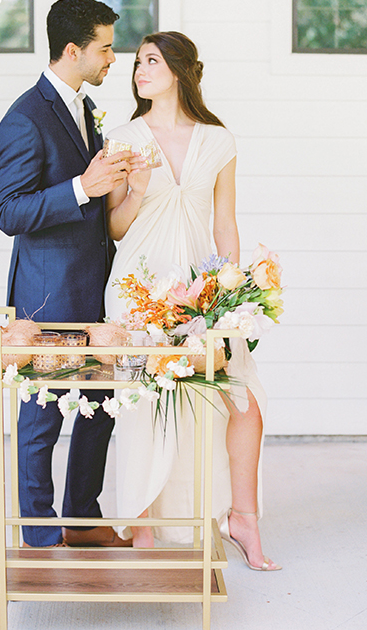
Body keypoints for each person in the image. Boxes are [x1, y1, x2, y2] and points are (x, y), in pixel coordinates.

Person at [104, 31, 281, 570]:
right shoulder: (123, 138)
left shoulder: (218, 141)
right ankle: (145, 531)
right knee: (142, 406)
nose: (139, 70)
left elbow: (224, 223)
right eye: (136, 63)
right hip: (137, 286)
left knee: (242, 399)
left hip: (200, 286)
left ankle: (241, 520)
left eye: (151, 60)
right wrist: (135, 187)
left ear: (179, 69)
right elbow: (113, 228)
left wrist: (233, 293)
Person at [0, 0, 133, 548]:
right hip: (48, 294)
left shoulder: (86, 107)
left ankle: (81, 517)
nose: (114, 59)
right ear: (73, 50)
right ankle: (39, 533)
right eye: (106, 48)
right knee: (42, 418)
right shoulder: (24, 116)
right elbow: (10, 212)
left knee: (100, 408)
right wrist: (82, 188)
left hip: (99, 288)